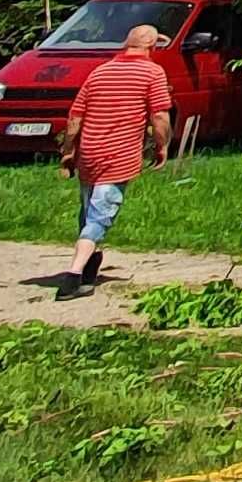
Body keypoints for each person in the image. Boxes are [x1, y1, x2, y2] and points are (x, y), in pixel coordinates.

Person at [55, 21, 172, 299]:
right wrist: (162, 145)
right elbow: (159, 116)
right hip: (119, 155)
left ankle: (89, 268)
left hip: (89, 155)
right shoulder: (152, 72)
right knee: (99, 217)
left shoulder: (99, 72)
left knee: (87, 213)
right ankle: (72, 277)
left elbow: (75, 118)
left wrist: (68, 151)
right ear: (152, 47)